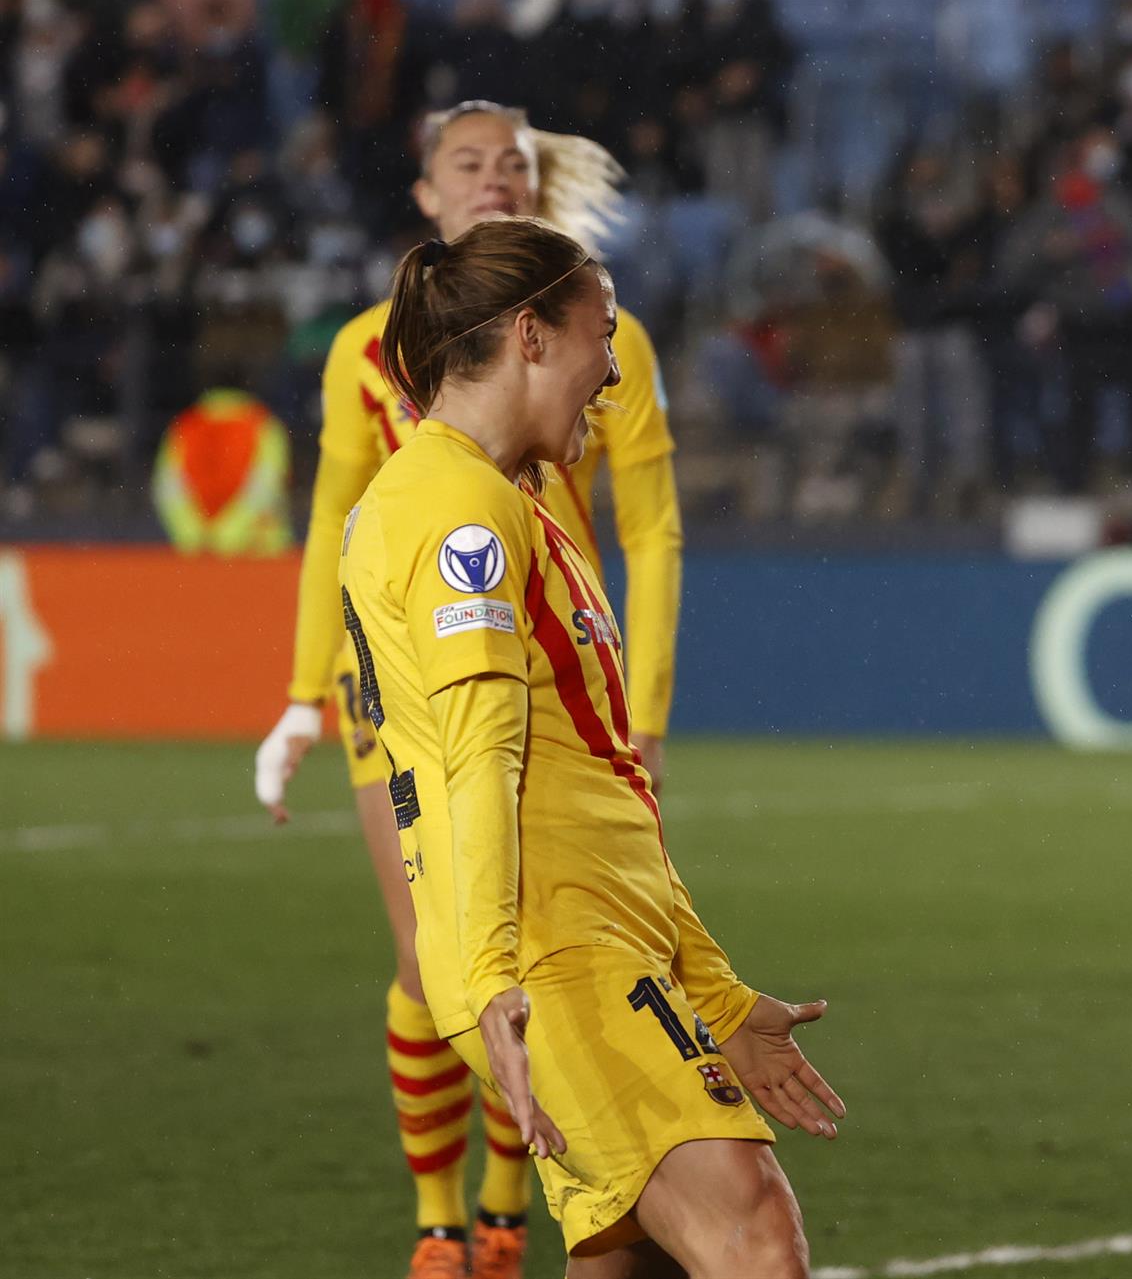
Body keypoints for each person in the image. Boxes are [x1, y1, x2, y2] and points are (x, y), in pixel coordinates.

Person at [342, 214, 843, 1278]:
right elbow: (478, 758)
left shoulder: (510, 501)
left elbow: (600, 786)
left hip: (582, 948)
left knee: (634, 1260)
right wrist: (491, 984)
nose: (614, 370)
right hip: (550, 965)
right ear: (528, 335)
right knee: (752, 1233)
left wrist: (709, 988)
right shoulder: (455, 513)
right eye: (599, 335)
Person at [254, 101, 684, 1279]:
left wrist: (640, 710)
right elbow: (332, 516)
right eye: (470, 163)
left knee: (546, 948)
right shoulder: (365, 357)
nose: (496, 179)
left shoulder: (605, 344)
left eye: (516, 165)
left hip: (550, 670)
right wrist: (303, 691)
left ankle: (512, 1200)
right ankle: (449, 1220)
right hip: (402, 674)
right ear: (427, 198)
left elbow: (651, 532)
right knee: (434, 958)